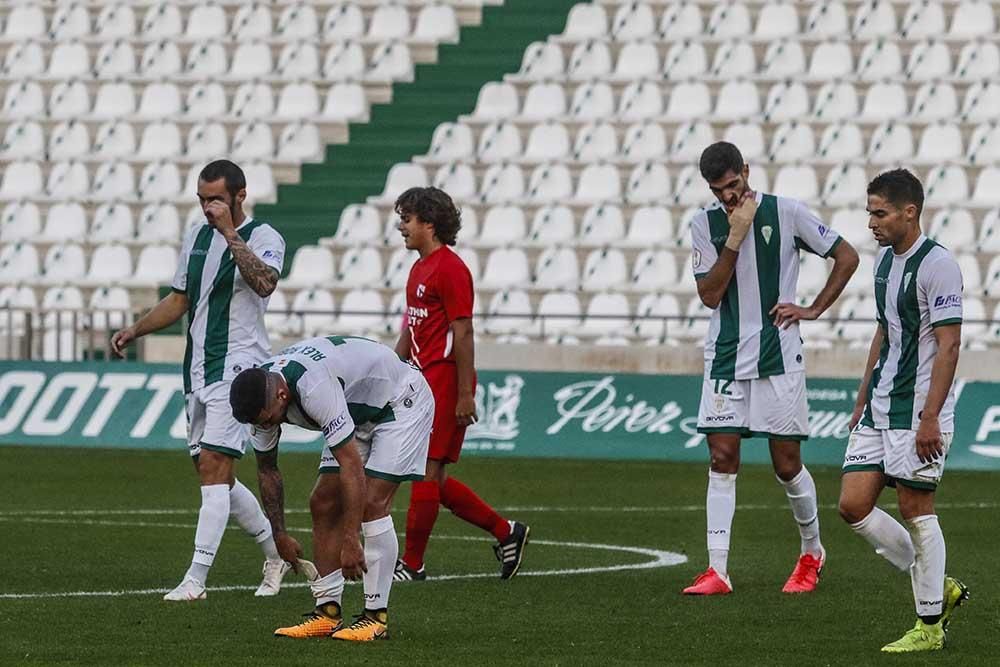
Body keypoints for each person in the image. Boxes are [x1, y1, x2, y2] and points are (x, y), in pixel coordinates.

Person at [683, 142, 860, 596]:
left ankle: (812, 552)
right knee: (722, 457)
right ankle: (717, 569)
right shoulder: (704, 225)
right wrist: (735, 237)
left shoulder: (788, 213)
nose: (728, 196)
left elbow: (847, 256)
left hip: (777, 355)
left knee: (786, 464)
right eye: (718, 190)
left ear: (746, 171)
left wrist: (815, 308)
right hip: (724, 355)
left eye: (733, 185)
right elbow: (710, 295)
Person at [111, 159, 289, 601]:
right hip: (197, 367)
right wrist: (137, 328)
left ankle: (197, 579)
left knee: (214, 467)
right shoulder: (195, 237)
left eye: (215, 199)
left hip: (239, 367)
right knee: (216, 477)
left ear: (239, 196)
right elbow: (179, 300)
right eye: (202, 199)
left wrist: (230, 233)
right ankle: (276, 555)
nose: (208, 208)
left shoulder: (265, 237)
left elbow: (264, 284)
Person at [838, 169, 969, 653]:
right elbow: (884, 331)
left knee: (916, 509)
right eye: (869, 212)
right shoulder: (882, 262)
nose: (871, 222)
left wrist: (931, 416)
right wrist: (860, 397)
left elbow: (949, 345)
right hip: (880, 404)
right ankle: (939, 585)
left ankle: (930, 626)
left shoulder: (939, 265)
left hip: (917, 411)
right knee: (853, 505)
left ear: (908, 212)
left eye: (880, 212)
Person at [229, 335, 433, 641]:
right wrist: (279, 534)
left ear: (282, 395)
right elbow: (267, 470)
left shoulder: (313, 387)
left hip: (400, 401)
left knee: (373, 503)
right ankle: (327, 612)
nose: (267, 426)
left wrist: (351, 538)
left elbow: (351, 466)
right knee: (322, 502)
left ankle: (375, 618)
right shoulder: (262, 402)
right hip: (357, 410)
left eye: (269, 419)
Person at [391, 186, 529, 582]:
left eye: (407, 219)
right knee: (433, 477)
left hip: (445, 380)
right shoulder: (419, 267)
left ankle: (413, 565)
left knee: (425, 471)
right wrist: (389, 370)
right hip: (422, 379)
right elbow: (412, 326)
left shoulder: (450, 268)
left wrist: (465, 391)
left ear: (429, 224)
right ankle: (507, 533)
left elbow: (463, 331)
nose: (401, 227)